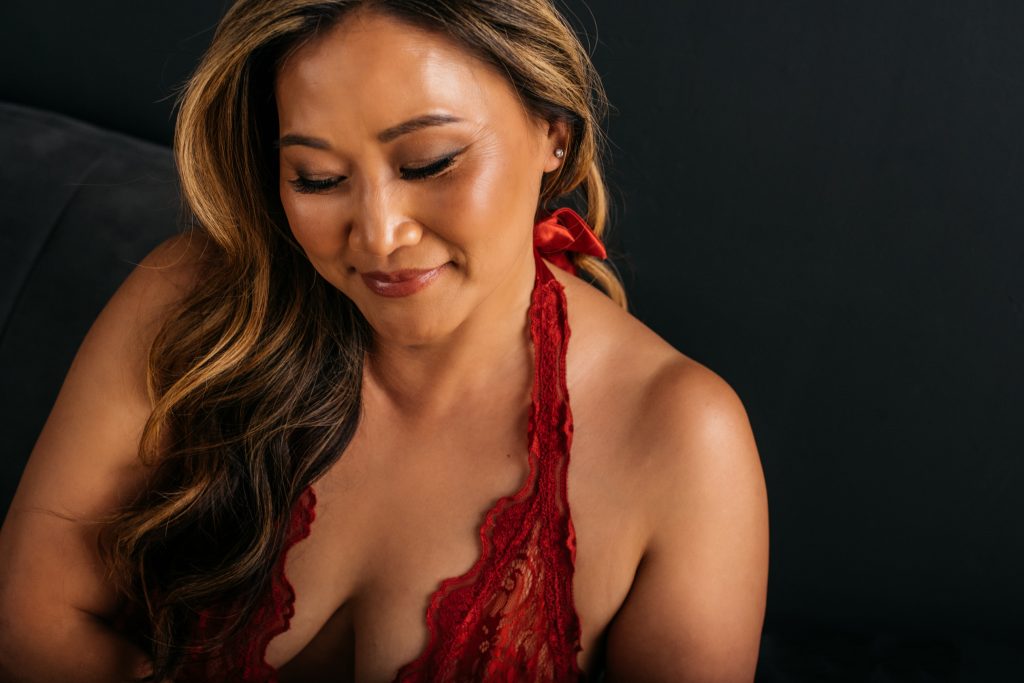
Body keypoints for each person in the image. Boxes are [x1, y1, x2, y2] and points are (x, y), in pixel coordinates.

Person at [0, 1, 769, 681]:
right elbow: (29, 620)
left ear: (553, 138)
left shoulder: (683, 439)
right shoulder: (190, 305)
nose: (379, 233)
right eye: (318, 177)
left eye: (430, 162)